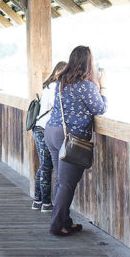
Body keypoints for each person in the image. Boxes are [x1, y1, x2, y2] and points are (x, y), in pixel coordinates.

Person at [44, 45, 107, 236]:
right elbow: (100, 109)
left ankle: (65, 221)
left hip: (52, 132)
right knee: (66, 184)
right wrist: (102, 87)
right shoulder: (85, 86)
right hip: (70, 138)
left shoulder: (62, 81)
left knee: (61, 182)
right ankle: (56, 226)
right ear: (88, 64)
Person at [32, 61, 67, 212]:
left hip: (38, 128)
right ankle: (46, 203)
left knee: (43, 165)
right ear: (59, 72)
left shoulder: (47, 85)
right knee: (47, 166)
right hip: (44, 129)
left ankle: (37, 200)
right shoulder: (56, 88)